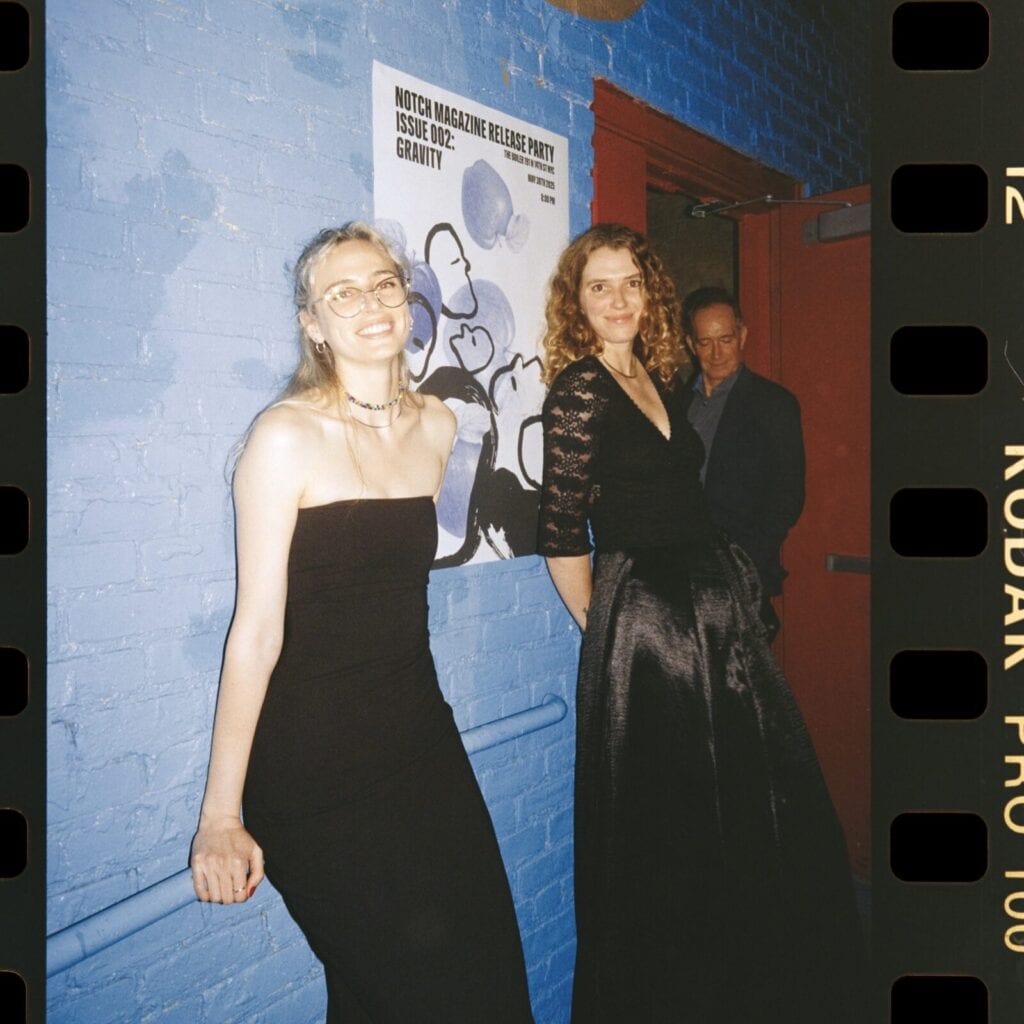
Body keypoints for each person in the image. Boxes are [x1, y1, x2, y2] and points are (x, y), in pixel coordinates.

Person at [189, 223, 533, 1024]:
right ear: (313, 323)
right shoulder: (284, 437)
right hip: (312, 769)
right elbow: (257, 632)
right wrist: (220, 815)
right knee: (407, 991)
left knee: (483, 980)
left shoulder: (443, 427)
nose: (371, 305)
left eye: (384, 284)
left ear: (407, 301)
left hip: (419, 741)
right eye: (342, 293)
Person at [537, 223, 864, 1023]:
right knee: (666, 826)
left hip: (711, 609)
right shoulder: (581, 386)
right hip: (649, 621)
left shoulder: (653, 374)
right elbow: (558, 534)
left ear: (650, 294)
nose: (618, 299)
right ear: (577, 303)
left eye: (631, 283)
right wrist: (611, 629)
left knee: (743, 802)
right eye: (598, 286)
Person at [681, 286, 805, 640]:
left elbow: (789, 496)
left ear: (743, 335)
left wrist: (744, 565)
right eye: (705, 342)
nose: (717, 353)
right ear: (691, 344)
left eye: (726, 339)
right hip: (681, 577)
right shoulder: (674, 406)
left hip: (741, 577)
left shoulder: (774, 405)